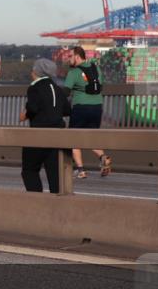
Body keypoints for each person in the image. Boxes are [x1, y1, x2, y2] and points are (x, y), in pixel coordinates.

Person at [20, 58, 71, 193]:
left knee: (29, 170)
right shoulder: (58, 89)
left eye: (33, 69)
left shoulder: (34, 88)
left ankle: (37, 198)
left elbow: (33, 108)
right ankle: (56, 200)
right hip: (57, 135)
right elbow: (67, 110)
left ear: (37, 72)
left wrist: (25, 113)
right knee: (54, 172)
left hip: (38, 134)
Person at [64, 46, 111, 179]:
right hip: (97, 107)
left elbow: (65, 92)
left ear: (77, 56)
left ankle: (81, 170)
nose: (69, 59)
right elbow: (100, 86)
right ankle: (103, 157)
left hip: (80, 107)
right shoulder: (96, 69)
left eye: (70, 56)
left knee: (74, 139)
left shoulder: (74, 72)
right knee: (91, 137)